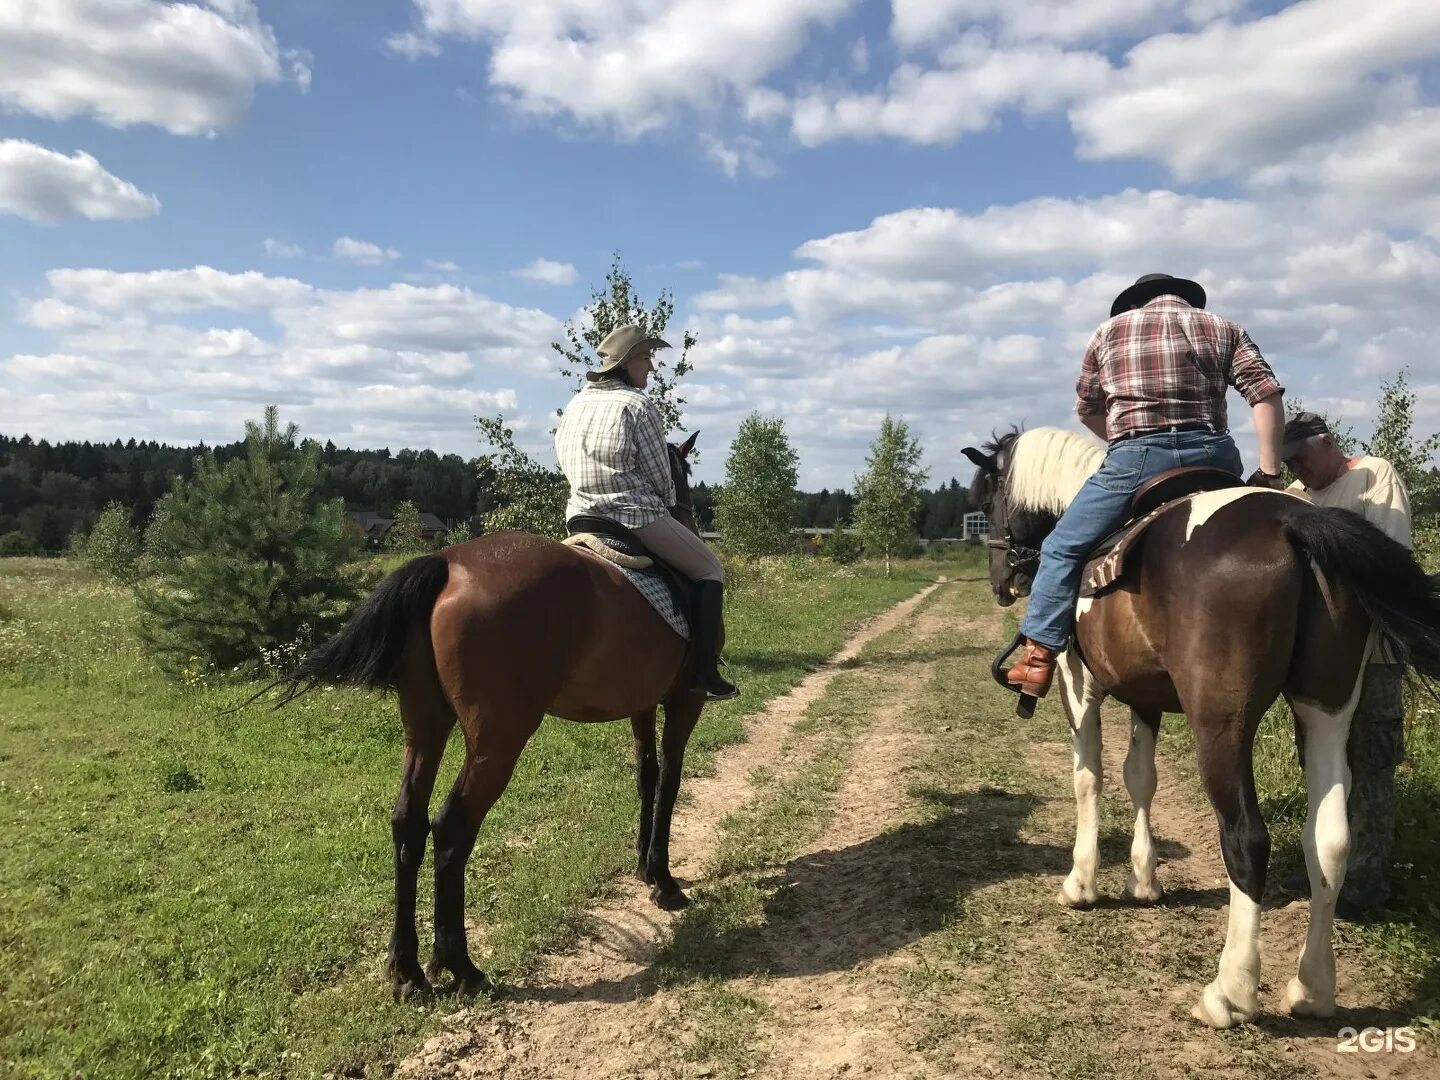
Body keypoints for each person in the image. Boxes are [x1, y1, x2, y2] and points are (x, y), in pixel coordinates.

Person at [1006, 273, 1287, 698]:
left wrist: (1123, 442)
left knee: (1061, 546)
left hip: (1138, 457)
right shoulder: (1224, 327)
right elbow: (1266, 396)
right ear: (1185, 299)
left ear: (1135, 303)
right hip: (1215, 455)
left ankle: (1038, 659)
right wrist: (1269, 474)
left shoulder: (1107, 332)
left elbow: (1086, 410)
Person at [555, 324, 738, 700]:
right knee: (710, 569)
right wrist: (668, 499)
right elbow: (660, 479)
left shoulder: (575, 404)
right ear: (628, 361)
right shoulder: (638, 406)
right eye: (647, 357)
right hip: (634, 517)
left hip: (579, 516)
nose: (651, 367)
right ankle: (704, 672)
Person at [1281, 411, 1410, 917]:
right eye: (1289, 460)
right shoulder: (1298, 494)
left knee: (1372, 766)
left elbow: (1390, 561)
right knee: (1318, 764)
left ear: (1328, 444)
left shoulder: (1373, 477)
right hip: (1316, 664)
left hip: (1374, 654)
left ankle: (1364, 886)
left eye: (1301, 457)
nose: (1298, 468)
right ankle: (1321, 869)